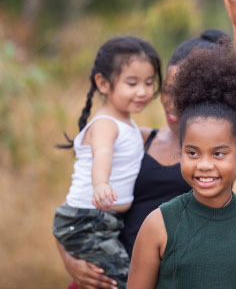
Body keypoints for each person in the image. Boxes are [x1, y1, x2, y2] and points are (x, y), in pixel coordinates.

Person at [56, 0, 236, 289]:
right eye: (167, 90)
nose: (171, 102)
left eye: (185, 95)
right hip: (110, 274)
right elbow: (76, 205)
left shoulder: (215, 155)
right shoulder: (136, 138)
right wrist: (69, 259)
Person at [127, 42, 236, 288]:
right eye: (192, 153)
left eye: (218, 154)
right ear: (180, 151)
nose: (204, 165)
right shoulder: (157, 224)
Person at [53, 36, 163, 289]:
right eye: (132, 83)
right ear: (103, 83)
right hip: (88, 220)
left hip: (102, 221)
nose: (143, 91)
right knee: (124, 280)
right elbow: (102, 154)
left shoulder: (127, 124)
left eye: (148, 82)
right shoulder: (106, 124)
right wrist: (100, 183)